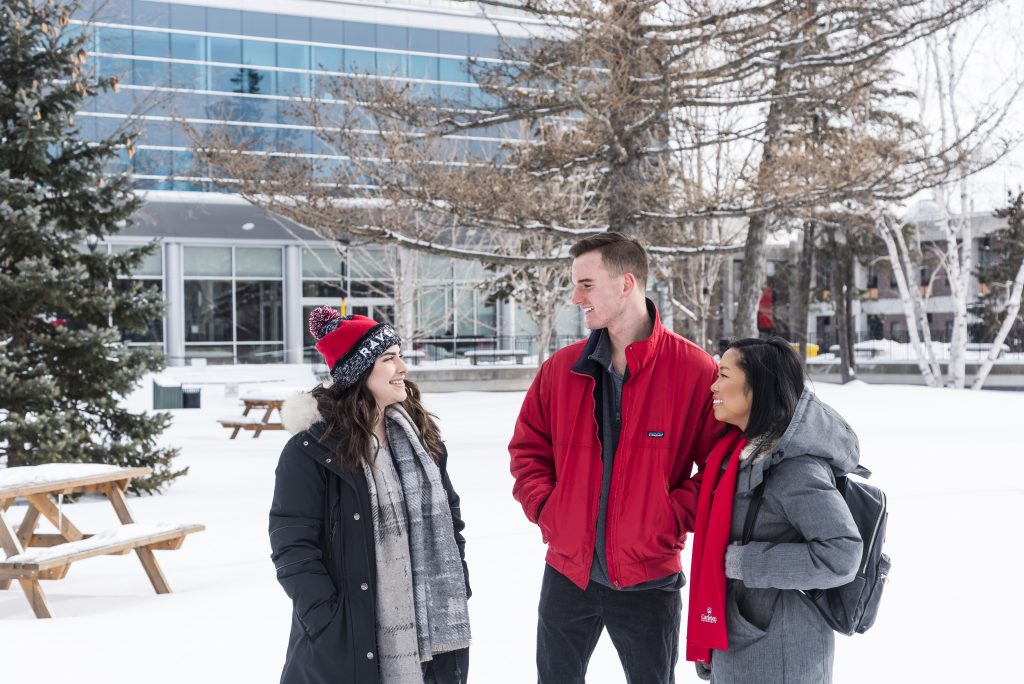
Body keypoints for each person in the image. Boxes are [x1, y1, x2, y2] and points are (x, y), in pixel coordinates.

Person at [509, 232, 721, 683]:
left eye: (586, 284)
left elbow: (720, 469)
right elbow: (527, 450)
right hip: (568, 572)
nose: (575, 297)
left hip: (649, 578)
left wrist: (669, 516)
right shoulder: (561, 369)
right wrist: (550, 511)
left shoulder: (695, 370)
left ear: (626, 284)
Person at [270, 307, 471, 684]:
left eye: (400, 356)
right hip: (346, 637)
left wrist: (457, 579)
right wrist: (326, 617)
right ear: (359, 372)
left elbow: (452, 517)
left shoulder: (421, 440)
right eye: (389, 358)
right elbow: (292, 546)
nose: (403, 368)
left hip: (436, 628)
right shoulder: (312, 450)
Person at [686, 337, 863, 683]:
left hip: (783, 655)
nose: (713, 385)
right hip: (742, 646)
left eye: (723, 375)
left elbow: (842, 554)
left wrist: (749, 562)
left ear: (757, 389)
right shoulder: (736, 455)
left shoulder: (794, 469)